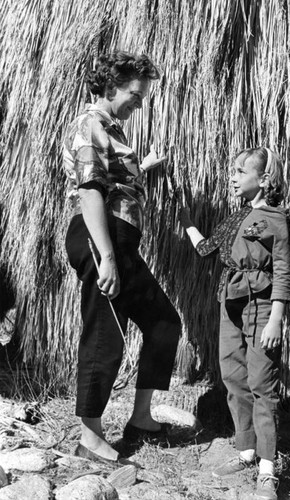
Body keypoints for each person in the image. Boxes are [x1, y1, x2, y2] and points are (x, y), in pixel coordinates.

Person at [63, 51, 181, 463]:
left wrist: (142, 166)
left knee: (164, 323)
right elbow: (91, 190)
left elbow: (114, 182)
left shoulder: (112, 128)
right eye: (136, 93)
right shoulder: (90, 122)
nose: (140, 101)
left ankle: (141, 419)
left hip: (120, 239)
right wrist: (106, 256)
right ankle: (90, 436)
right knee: (104, 334)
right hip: (102, 237)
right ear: (111, 86)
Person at [180, 147, 290, 500]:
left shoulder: (276, 218)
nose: (232, 177)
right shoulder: (236, 217)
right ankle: (246, 450)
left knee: (262, 382)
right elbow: (207, 249)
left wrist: (276, 319)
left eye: (240, 172)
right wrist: (186, 223)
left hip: (260, 307)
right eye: (232, 171)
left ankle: (267, 468)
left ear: (264, 180)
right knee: (232, 375)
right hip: (229, 303)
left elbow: (283, 272)